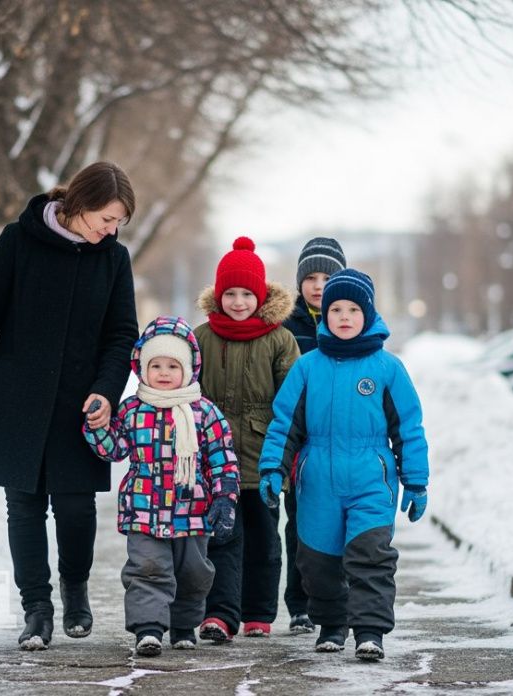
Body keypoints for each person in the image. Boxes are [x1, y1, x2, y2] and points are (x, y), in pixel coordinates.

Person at [0, 161, 139, 651]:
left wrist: (106, 390)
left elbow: (122, 335)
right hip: (17, 398)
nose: (111, 230)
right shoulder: (18, 240)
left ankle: (75, 588)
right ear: (79, 205)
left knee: (76, 507)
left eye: (119, 223)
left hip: (81, 404)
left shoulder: (113, 259)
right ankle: (36, 607)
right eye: (106, 219)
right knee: (24, 507)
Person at [258, 268, 430, 661]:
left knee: (371, 556)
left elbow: (408, 427)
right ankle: (332, 623)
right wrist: (272, 468)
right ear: (326, 315)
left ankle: (370, 631)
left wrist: (415, 481)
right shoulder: (307, 367)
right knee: (317, 561)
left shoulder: (388, 368)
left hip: (372, 477)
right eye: (336, 308)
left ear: (368, 314)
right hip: (317, 478)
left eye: (354, 308)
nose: (345, 316)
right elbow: (285, 424)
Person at [83, 316, 240, 657]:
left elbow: (222, 458)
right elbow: (116, 448)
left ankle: (184, 626)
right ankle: (148, 628)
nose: (164, 373)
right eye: (156, 365)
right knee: (148, 570)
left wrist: (225, 497)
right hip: (145, 510)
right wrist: (98, 427)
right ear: (142, 368)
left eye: (173, 365)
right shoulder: (132, 410)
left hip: (193, 512)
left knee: (193, 573)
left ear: (188, 369)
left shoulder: (204, 413)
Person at [193, 237, 300, 642]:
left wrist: (284, 456)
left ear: (261, 295)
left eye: (247, 294)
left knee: (263, 541)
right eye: (231, 294)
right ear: (219, 296)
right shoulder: (202, 337)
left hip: (263, 460)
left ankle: (258, 611)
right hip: (214, 463)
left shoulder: (279, 339)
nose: (239, 302)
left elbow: (291, 405)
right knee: (220, 539)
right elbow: (188, 394)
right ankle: (219, 614)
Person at [278, 236, 346, 633]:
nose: (318, 285)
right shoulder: (287, 325)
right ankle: (299, 604)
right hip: (300, 445)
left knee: (340, 528)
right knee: (299, 526)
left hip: (342, 442)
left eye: (327, 276)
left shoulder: (352, 319)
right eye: (311, 277)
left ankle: (339, 601)